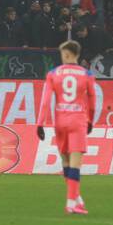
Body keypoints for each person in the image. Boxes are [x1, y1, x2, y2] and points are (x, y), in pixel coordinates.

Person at [36, 39, 97, 215]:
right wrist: (90, 120)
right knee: (76, 164)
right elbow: (92, 101)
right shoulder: (87, 74)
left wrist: (40, 123)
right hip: (77, 120)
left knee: (66, 162)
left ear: (68, 54)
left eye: (63, 54)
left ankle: (77, 199)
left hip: (59, 121)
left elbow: (45, 101)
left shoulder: (53, 73)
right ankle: (70, 203)